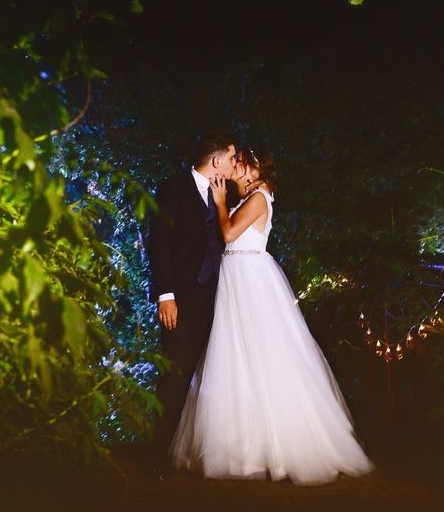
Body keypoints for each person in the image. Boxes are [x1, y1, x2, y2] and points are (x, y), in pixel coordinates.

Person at [169, 148, 375, 485]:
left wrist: (220, 203)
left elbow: (230, 234)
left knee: (263, 356)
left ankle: (281, 446)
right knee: (238, 356)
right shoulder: (250, 195)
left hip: (250, 279)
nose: (234, 167)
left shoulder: (260, 197)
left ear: (254, 168)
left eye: (240, 163)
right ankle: (245, 447)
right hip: (237, 278)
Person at [146, 130, 238, 478]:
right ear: (217, 160)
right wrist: (166, 295)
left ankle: (199, 453)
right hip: (183, 299)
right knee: (175, 373)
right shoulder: (173, 189)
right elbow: (160, 243)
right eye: (231, 159)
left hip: (220, 299)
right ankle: (157, 455)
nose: (233, 166)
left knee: (212, 375)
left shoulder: (223, 195)